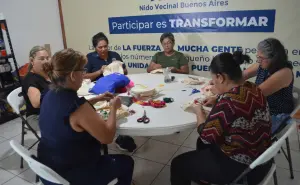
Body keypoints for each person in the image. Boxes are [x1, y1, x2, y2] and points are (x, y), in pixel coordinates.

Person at [171, 51, 272, 185]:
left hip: (242, 165)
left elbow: (205, 136)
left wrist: (198, 112)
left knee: (178, 164)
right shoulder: (253, 88)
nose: (213, 84)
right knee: (200, 145)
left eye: (213, 80)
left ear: (220, 77)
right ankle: (205, 178)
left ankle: (208, 176)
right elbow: (237, 109)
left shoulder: (228, 102)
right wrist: (217, 99)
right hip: (262, 157)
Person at [38, 49, 134, 185]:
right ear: (72, 75)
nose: (84, 75)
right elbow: (107, 137)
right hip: (72, 174)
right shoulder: (78, 108)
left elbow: (69, 113)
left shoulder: (49, 94)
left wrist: (96, 99)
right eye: (82, 71)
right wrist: (113, 107)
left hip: (48, 169)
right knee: (127, 162)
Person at [85, 32, 136, 152]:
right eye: (100, 47)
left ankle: (122, 137)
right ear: (95, 48)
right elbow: (85, 77)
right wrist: (99, 71)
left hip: (118, 90)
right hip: (99, 93)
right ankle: (100, 137)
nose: (103, 49)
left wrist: (121, 69)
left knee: (124, 110)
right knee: (103, 114)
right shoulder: (90, 58)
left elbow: (125, 72)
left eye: (105, 46)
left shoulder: (115, 55)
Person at [243, 38, 294, 133]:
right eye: (257, 57)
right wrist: (220, 83)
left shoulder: (284, 72)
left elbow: (254, 94)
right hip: (261, 109)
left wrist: (223, 96)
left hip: (275, 115)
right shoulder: (264, 64)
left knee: (231, 125)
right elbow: (242, 76)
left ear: (274, 58)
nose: (258, 61)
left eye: (261, 58)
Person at [22, 46, 51, 131]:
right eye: (41, 59)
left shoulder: (47, 74)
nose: (46, 61)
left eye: (47, 58)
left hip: (51, 110)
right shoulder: (30, 79)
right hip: (37, 116)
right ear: (32, 61)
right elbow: (36, 103)